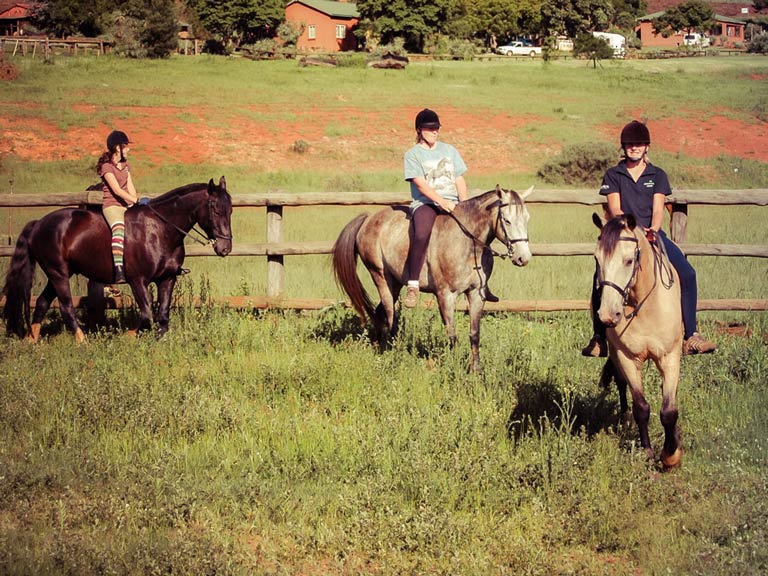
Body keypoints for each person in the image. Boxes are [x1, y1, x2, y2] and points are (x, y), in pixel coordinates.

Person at [582, 120, 717, 357]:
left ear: (647, 147)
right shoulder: (614, 174)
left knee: (688, 274)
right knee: (601, 276)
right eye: (629, 144)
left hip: (652, 234)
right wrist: (632, 231)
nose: (634, 147)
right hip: (623, 235)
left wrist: (653, 229)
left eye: (639, 144)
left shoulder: (658, 175)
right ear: (623, 147)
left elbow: (658, 209)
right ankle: (599, 337)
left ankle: (691, 335)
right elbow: (614, 209)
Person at [402, 108, 498, 308]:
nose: (434, 131)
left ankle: (483, 282)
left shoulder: (449, 150)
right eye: (429, 128)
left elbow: (459, 179)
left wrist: (464, 205)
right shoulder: (412, 155)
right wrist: (441, 201)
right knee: (421, 233)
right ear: (419, 130)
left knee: (480, 234)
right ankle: (412, 285)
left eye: (436, 128)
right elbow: (420, 184)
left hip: (454, 202)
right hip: (426, 203)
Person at [97, 130, 139, 284]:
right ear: (117, 148)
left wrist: (135, 203)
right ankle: (119, 268)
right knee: (119, 228)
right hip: (112, 206)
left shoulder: (125, 166)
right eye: (126, 146)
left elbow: (130, 187)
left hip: (125, 205)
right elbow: (117, 190)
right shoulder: (106, 167)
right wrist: (135, 199)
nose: (128, 149)